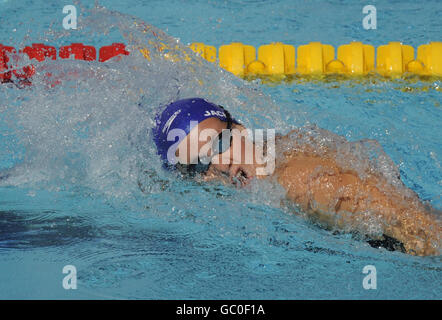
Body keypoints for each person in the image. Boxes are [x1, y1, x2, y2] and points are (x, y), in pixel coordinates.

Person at [152, 97, 441, 256]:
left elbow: (422, 228)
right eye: (200, 165)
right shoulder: (274, 149)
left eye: (220, 143)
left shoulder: (300, 183)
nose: (222, 164)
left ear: (239, 128)